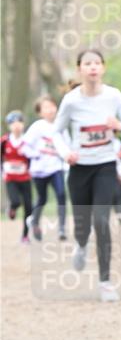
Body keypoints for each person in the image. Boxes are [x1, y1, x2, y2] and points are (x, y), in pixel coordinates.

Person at [54, 49, 121, 301]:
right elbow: (56, 132)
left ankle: (105, 282)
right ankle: (81, 244)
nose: (92, 67)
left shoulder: (114, 96)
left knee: (101, 220)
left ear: (103, 67)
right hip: (79, 168)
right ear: (79, 69)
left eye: (97, 63)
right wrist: (65, 153)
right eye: (87, 64)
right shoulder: (71, 100)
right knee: (82, 225)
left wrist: (119, 126)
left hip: (105, 166)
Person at [23, 96, 70, 241]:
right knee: (42, 198)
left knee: (61, 195)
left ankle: (62, 228)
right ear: (40, 112)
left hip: (56, 167)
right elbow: (25, 147)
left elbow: (68, 146)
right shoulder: (37, 127)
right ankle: (34, 221)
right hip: (39, 170)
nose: (50, 110)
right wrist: (36, 155)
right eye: (46, 107)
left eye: (52, 106)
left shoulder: (61, 125)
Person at [1, 111, 32, 244]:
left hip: (25, 178)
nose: (17, 125)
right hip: (10, 179)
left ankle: (25, 236)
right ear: (9, 126)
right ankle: (12, 209)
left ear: (23, 124)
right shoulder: (4, 141)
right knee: (16, 201)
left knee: (29, 208)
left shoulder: (28, 141)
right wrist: (2, 171)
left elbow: (33, 158)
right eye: (13, 123)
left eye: (19, 122)